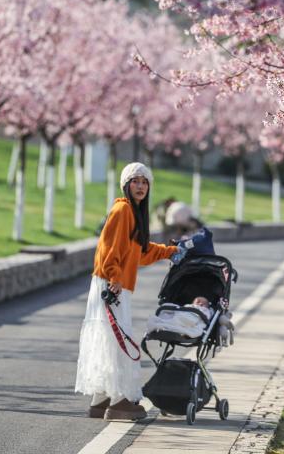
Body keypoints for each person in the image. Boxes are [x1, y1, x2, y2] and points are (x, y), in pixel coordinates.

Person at [75, 162, 179, 421]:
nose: (141, 186)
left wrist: (171, 251)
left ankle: (101, 400)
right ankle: (120, 401)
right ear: (126, 184)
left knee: (110, 339)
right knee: (119, 340)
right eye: (136, 181)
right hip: (112, 284)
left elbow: (140, 253)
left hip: (116, 283)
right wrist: (114, 276)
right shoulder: (122, 209)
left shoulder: (134, 214)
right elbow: (108, 247)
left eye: (145, 182)